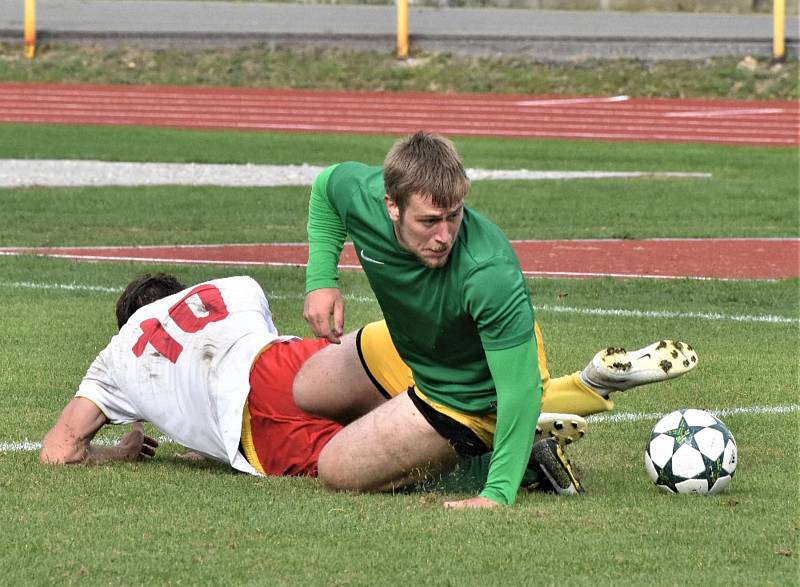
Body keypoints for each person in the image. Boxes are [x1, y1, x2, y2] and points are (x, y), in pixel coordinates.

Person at [295, 131, 698, 509]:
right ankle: (582, 388)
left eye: (453, 216)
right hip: (422, 344)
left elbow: (518, 388)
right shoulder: (362, 194)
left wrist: (498, 493)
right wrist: (320, 280)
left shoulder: (488, 270)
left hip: (468, 392)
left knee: (337, 469)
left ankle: (524, 464)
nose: (444, 235)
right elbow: (326, 188)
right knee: (308, 390)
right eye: (429, 221)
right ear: (391, 205)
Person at [40, 272, 620, 497]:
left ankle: (511, 458)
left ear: (130, 322)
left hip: (254, 430)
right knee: (404, 399)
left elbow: (58, 453)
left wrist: (116, 451)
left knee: (368, 466)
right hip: (288, 362)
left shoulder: (119, 356)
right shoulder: (233, 286)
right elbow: (239, 364)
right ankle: (563, 390)